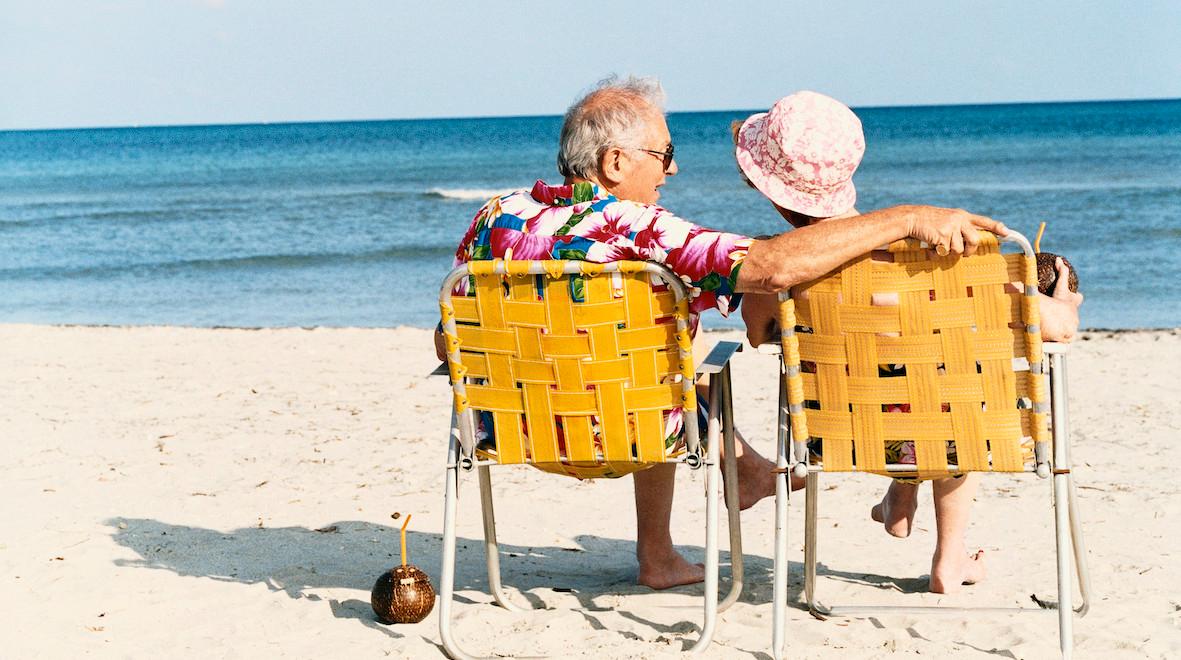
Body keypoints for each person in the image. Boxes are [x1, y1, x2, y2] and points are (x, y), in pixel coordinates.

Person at [440, 75, 1008, 590]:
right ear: (615, 162)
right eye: (666, 154)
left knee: (640, 355)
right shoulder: (638, 227)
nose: (673, 169)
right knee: (658, 366)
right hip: (630, 432)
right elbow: (769, 267)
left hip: (510, 433)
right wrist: (908, 219)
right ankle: (675, 538)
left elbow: (449, 342)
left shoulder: (495, 217)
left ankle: (671, 545)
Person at [733, 90, 1085, 593]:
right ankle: (949, 555)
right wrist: (1063, 302)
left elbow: (756, 332)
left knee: (898, 384)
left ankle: (902, 495)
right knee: (950, 381)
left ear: (771, 192)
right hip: (956, 434)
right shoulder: (942, 269)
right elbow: (1059, 328)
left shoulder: (779, 274)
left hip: (838, 437)